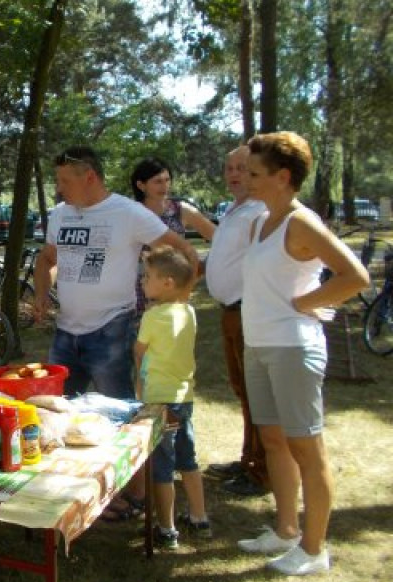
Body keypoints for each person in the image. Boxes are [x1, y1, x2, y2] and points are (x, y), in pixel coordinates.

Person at [236, 132, 368, 575]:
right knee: (274, 442)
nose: (245, 180)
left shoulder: (301, 222)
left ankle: (314, 551)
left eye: (254, 173)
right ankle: (286, 529)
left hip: (293, 348)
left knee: (307, 448)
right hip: (260, 346)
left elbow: (355, 276)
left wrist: (306, 304)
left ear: (283, 177)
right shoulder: (260, 221)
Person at [33, 146, 199, 399]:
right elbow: (46, 260)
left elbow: (184, 251)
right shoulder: (60, 215)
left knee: (118, 413)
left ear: (89, 177)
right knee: (56, 411)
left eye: (64, 180)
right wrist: (41, 294)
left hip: (111, 331)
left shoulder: (128, 213)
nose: (58, 188)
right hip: (65, 333)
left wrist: (179, 301)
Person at [203, 145, 270, 497]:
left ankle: (262, 469)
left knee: (257, 395)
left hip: (249, 312)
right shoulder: (235, 209)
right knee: (243, 392)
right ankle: (248, 459)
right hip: (231, 312)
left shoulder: (261, 212)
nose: (233, 174)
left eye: (242, 168)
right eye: (229, 167)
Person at [133, 246, 210, 549]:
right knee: (188, 458)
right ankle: (199, 516)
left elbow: (139, 353)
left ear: (167, 283)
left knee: (162, 465)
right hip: (183, 398)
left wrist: (139, 383)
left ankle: (166, 528)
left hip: (159, 401)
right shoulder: (189, 311)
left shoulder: (152, 317)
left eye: (148, 277)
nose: (142, 282)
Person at [130, 156, 216, 316]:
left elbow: (221, 238)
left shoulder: (180, 210)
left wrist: (196, 274)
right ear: (141, 185)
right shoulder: (131, 212)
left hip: (172, 293)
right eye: (157, 181)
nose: (164, 186)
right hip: (135, 294)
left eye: (167, 180)